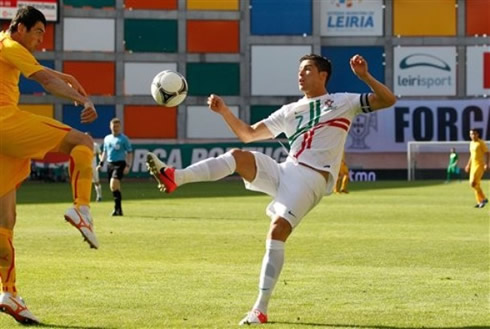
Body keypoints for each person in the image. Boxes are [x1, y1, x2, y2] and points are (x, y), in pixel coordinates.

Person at [146, 53, 396, 324]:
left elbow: (388, 100)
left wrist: (365, 77)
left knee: (277, 230)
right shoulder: (290, 111)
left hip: (311, 179)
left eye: (308, 70)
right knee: (238, 156)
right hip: (286, 169)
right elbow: (249, 134)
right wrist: (224, 112)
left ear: (323, 75)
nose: (301, 75)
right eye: (299, 70)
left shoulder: (343, 102)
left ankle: (260, 308)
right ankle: (175, 177)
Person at [0, 6, 99, 324]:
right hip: (5, 124)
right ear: (20, 28)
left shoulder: (5, 45)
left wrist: (65, 77)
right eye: (39, 32)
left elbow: (40, 70)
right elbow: (42, 79)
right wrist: (82, 100)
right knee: (82, 143)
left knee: (6, 219)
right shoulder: (11, 45)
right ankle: (81, 208)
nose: (42, 40)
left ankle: (9, 293)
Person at [97, 118, 133, 216]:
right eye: (113, 126)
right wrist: (101, 163)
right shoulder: (107, 138)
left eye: (117, 126)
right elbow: (105, 151)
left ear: (120, 127)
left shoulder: (123, 139)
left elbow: (129, 152)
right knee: (113, 187)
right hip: (110, 164)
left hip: (120, 163)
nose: (115, 128)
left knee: (114, 183)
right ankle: (118, 209)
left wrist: (128, 166)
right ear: (110, 126)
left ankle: (117, 209)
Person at [464, 129, 489, 208]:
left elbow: (487, 153)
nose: (473, 136)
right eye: (471, 134)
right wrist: (468, 165)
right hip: (473, 166)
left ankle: (483, 199)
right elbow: (472, 155)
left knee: (473, 183)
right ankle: (481, 201)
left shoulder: (480, 143)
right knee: (474, 184)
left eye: (474, 134)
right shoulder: (471, 143)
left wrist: (487, 164)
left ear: (478, 134)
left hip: (479, 165)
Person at [86, 132, 103, 201]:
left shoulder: (95, 145)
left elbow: (100, 154)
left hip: (93, 166)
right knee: (85, 182)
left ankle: (99, 196)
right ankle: (84, 197)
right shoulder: (82, 145)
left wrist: (101, 161)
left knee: (96, 181)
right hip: (85, 166)